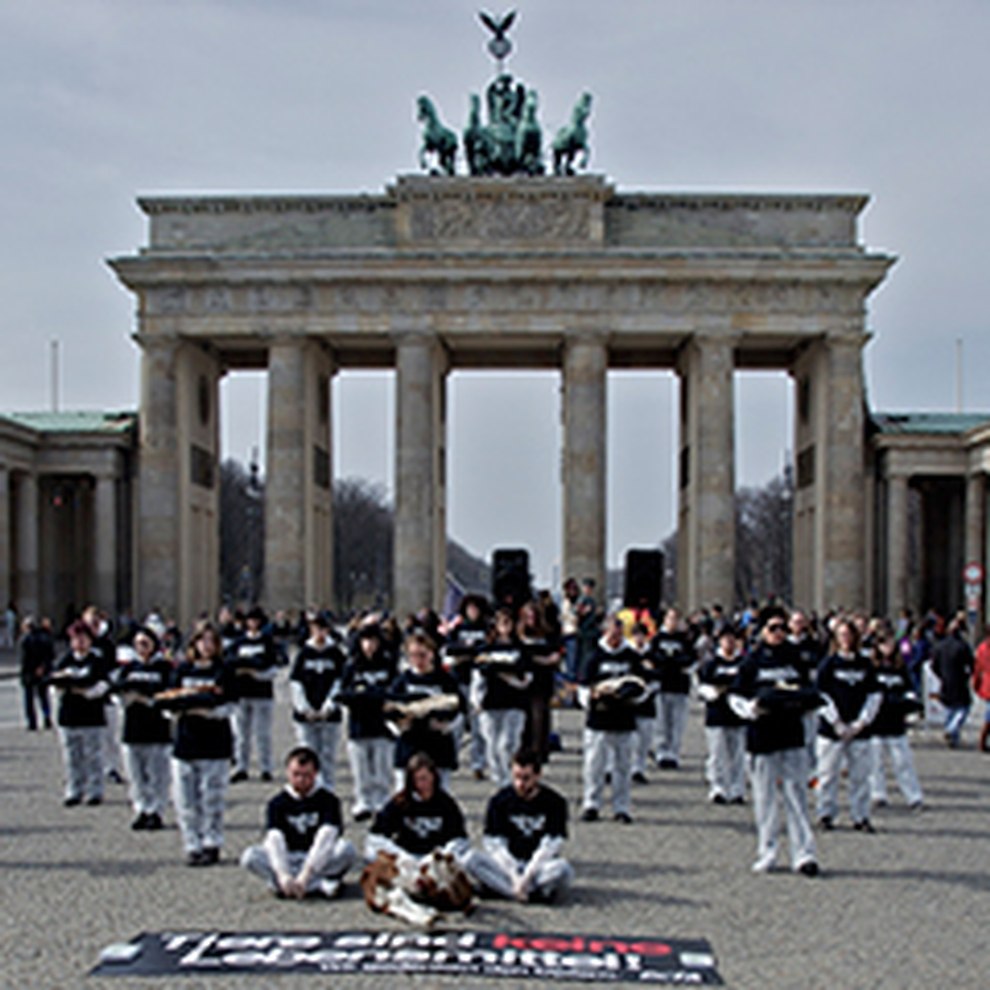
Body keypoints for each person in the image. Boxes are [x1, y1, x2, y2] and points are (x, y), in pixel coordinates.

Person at [729, 610, 820, 876]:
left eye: (783, 628)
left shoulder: (796, 657)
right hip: (763, 734)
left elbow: (809, 690)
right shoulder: (752, 661)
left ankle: (804, 854)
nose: (779, 632)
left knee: (797, 796)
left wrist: (807, 706)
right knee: (765, 798)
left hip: (791, 732)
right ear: (762, 631)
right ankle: (767, 851)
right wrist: (750, 710)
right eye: (773, 628)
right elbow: (735, 695)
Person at [363, 752, 473, 925]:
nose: (423, 785)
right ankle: (413, 909)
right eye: (418, 780)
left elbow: (460, 838)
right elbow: (375, 836)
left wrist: (442, 854)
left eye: (426, 778)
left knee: (466, 862)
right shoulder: (400, 802)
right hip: (407, 861)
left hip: (434, 863)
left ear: (434, 777)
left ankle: (437, 896)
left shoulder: (446, 803)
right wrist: (400, 855)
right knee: (373, 864)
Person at [160, 625, 235, 866]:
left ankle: (212, 841)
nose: (206, 646)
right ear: (193, 644)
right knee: (185, 799)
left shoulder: (224, 670)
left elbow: (230, 705)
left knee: (212, 798)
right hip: (186, 741)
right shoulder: (182, 669)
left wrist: (203, 709)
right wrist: (186, 706)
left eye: (211, 641)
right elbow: (169, 701)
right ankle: (192, 843)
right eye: (202, 641)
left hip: (215, 743)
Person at [240, 746, 357, 899]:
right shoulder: (277, 803)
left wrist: (306, 873)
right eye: (296, 774)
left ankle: (292, 886)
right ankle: (316, 885)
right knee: (250, 856)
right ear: (287, 772)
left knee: (347, 849)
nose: (301, 780)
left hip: (319, 858)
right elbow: (275, 839)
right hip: (288, 857)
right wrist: (283, 874)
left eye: (306, 775)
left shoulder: (329, 800)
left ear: (316, 774)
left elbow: (326, 837)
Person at [464, 748, 572, 903]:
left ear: (538, 776)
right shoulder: (500, 801)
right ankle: (521, 893)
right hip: (507, 864)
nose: (520, 784)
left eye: (526, 778)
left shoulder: (555, 802)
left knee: (563, 870)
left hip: (538, 866)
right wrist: (514, 875)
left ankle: (503, 889)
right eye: (516, 777)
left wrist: (528, 875)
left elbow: (550, 845)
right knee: (470, 859)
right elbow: (495, 845)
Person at [814, 618, 882, 832]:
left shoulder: (866, 664)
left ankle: (860, 816)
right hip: (831, 728)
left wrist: (862, 722)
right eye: (841, 635)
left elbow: (874, 695)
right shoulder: (828, 664)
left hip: (859, 729)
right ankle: (825, 813)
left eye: (849, 635)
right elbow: (821, 695)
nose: (846, 639)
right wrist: (835, 721)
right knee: (827, 774)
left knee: (860, 776)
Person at [579, 614, 647, 824]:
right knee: (594, 765)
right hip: (598, 718)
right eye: (611, 633)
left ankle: (621, 807)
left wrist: (632, 695)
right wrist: (593, 696)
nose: (615, 637)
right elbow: (583, 687)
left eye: (618, 633)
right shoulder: (594, 656)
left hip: (624, 718)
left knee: (623, 766)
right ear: (605, 632)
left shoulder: (631, 656)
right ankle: (591, 803)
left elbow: (643, 685)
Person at [111, 626, 173, 829]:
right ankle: (141, 809)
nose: (142, 648)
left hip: (157, 727)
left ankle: (156, 810)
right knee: (135, 775)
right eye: (138, 644)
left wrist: (148, 698)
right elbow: (117, 689)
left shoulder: (164, 668)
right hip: (132, 727)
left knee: (157, 775)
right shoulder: (129, 668)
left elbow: (169, 692)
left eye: (146, 643)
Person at [386, 631, 464, 791]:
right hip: (409, 744)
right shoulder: (402, 681)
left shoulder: (445, 680)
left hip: (438, 745)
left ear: (432, 654)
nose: (418, 660)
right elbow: (388, 711)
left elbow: (461, 710)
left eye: (422, 655)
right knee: (403, 790)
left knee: (440, 792)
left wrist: (447, 726)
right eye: (413, 655)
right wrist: (398, 728)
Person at [49, 620, 113, 806]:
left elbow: (104, 685)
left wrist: (85, 692)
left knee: (93, 755)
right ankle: (74, 789)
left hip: (91, 715)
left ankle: (95, 790)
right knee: (72, 756)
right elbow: (54, 685)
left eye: (83, 638)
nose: (79, 642)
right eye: (75, 639)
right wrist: (62, 686)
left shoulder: (97, 661)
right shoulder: (65, 661)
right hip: (69, 715)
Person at [337, 624, 397, 820]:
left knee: (382, 765)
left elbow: (394, 691)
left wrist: (370, 695)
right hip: (359, 724)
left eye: (373, 641)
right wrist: (363, 696)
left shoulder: (388, 664)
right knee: (360, 767)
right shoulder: (352, 666)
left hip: (383, 724)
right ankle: (363, 800)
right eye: (365, 641)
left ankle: (382, 799)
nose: (369, 645)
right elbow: (344, 693)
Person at [471, 607, 533, 788]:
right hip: (491, 702)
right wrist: (476, 700)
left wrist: (508, 676)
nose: (505, 626)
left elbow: (527, 677)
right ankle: (498, 778)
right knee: (491, 743)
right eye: (501, 622)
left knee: (508, 743)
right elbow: (478, 677)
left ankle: (510, 777)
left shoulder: (521, 648)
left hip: (515, 701)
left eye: (508, 622)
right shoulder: (486, 649)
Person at [288, 614, 346, 790]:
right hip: (306, 715)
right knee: (308, 753)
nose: (319, 633)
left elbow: (340, 681)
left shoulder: (336, 654)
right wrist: (303, 707)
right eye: (315, 629)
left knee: (328, 754)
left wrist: (329, 705)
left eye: (322, 629)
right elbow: (296, 682)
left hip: (329, 714)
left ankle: (327, 787)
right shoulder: (304, 653)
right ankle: (310, 786)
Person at [869, 628, 924, 810]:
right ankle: (878, 793)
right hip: (876, 721)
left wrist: (909, 702)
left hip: (896, 721)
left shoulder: (900, 667)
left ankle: (913, 795)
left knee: (903, 761)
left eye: (890, 643)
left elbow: (910, 689)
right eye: (883, 643)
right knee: (875, 762)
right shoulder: (872, 667)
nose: (887, 647)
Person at [227, 606, 280, 782]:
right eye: (250, 620)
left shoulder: (267, 642)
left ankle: (266, 767)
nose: (253, 623)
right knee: (241, 734)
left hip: (262, 692)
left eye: (256, 620)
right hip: (242, 692)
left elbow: (273, 668)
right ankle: (241, 766)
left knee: (262, 733)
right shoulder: (239, 642)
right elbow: (229, 663)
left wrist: (256, 673)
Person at [441, 594, 490, 780]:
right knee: (457, 724)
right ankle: (451, 758)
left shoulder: (487, 628)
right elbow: (449, 650)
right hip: (459, 679)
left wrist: (469, 651)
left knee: (478, 726)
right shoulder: (458, 628)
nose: (473, 612)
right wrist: (469, 652)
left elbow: (486, 650)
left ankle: (478, 763)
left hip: (479, 680)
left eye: (476, 608)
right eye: (470, 608)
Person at [697, 625, 748, 805]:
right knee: (717, 754)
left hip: (738, 715)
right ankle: (718, 787)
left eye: (732, 639)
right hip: (716, 715)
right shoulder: (711, 664)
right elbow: (702, 686)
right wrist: (714, 692)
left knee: (738, 755)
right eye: (725, 639)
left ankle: (737, 789)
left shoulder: (744, 663)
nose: (729, 642)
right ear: (719, 642)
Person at [652, 607, 695, 769]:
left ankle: (674, 753)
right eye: (670, 618)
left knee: (677, 723)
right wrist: (671, 661)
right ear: (664, 620)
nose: (673, 622)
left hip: (680, 686)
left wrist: (673, 660)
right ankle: (661, 752)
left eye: (676, 619)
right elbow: (654, 658)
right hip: (662, 685)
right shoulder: (657, 639)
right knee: (661, 722)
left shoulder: (684, 639)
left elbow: (690, 659)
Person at [931, 616, 974, 748]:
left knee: (949, 708)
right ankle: (951, 729)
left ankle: (953, 737)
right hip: (960, 680)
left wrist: (941, 675)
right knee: (963, 708)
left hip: (945, 680)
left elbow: (933, 665)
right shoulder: (962, 646)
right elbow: (971, 664)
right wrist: (968, 675)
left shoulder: (940, 646)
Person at [19, 615, 54, 731]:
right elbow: (50, 655)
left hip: (29, 672)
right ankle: (47, 717)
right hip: (42, 671)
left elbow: (24, 658)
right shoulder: (45, 638)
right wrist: (43, 667)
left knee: (29, 699)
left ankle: (32, 722)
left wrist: (25, 672)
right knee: (44, 697)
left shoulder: (25, 639)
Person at [972, 625, 990, 753]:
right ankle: (982, 741)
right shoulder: (983, 649)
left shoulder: (982, 648)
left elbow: (978, 669)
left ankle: (983, 741)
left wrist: (976, 684)